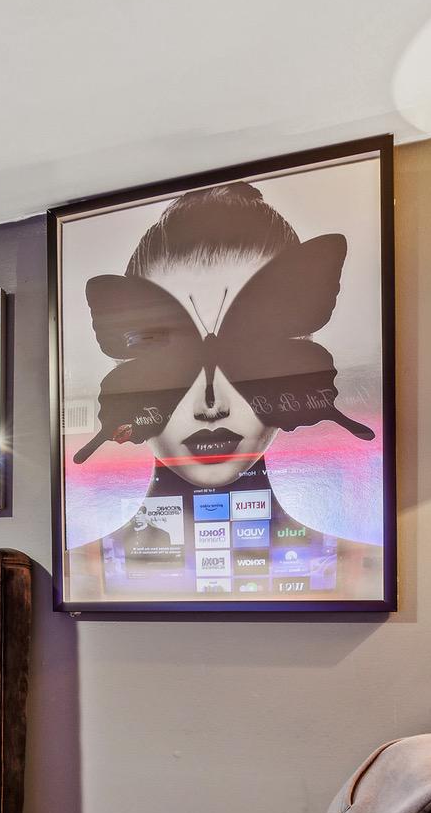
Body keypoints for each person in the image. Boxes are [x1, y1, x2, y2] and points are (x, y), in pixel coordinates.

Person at [73, 183, 376, 597]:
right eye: (171, 364)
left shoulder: (363, 575)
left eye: (257, 356)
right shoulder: (76, 578)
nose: (209, 405)